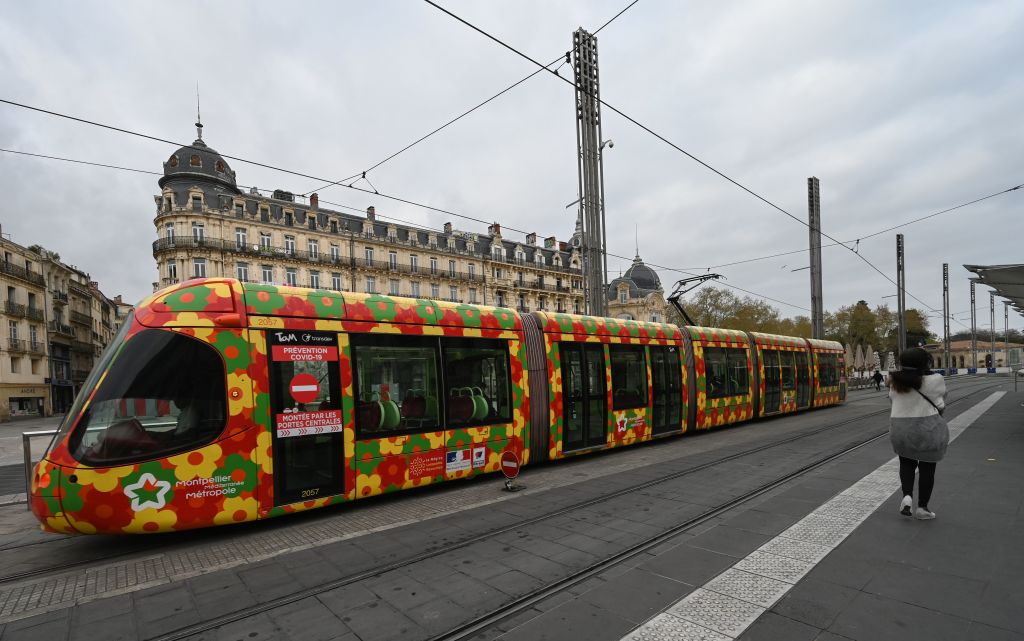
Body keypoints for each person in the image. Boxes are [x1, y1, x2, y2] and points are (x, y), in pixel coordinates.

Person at [887, 347, 947, 520]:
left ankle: (907, 496)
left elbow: (892, 399)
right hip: (927, 428)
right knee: (928, 466)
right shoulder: (936, 380)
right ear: (925, 362)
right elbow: (941, 402)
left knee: (906, 463)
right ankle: (922, 508)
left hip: (900, 428)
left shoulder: (893, 381)